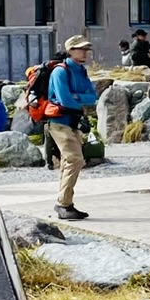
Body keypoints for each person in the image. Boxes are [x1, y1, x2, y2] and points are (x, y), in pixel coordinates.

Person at [45, 36, 101, 220]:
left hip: (73, 121)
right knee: (75, 160)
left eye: (86, 49)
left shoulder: (81, 71)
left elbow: (92, 97)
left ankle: (65, 203)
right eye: (81, 49)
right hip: (59, 122)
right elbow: (65, 100)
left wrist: (77, 97)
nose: (85, 53)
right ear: (70, 51)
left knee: (69, 162)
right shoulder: (60, 72)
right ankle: (63, 204)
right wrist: (80, 98)